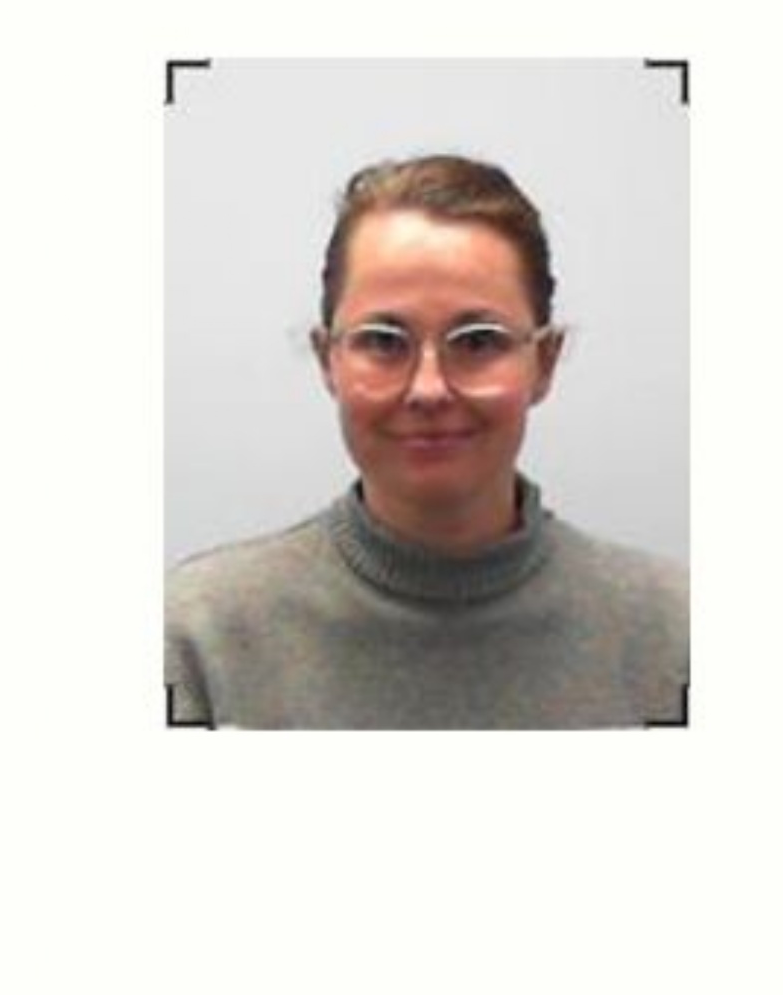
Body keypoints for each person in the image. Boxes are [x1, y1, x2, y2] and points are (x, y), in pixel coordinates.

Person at [165, 154, 689, 729]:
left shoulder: (675, 635)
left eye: (478, 341)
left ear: (544, 362)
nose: (429, 389)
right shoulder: (198, 641)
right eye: (384, 342)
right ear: (327, 360)